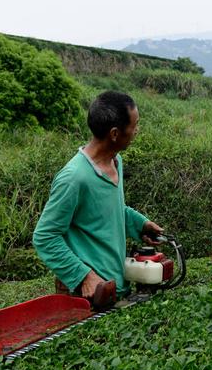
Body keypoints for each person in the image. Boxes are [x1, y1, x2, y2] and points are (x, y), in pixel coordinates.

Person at [33, 91, 163, 298]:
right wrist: (84, 276)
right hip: (88, 294)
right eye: (134, 125)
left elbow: (105, 211)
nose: (137, 131)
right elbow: (45, 236)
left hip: (116, 289)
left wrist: (139, 224)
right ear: (114, 134)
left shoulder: (115, 161)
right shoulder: (74, 177)